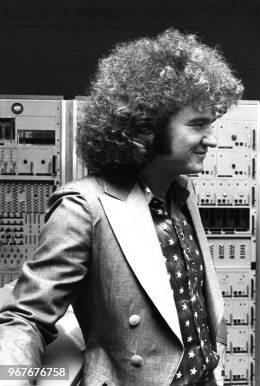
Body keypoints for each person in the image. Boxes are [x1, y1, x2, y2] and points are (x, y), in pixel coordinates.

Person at [0, 29, 243, 385]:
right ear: (147, 129)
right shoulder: (84, 207)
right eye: (198, 125)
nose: (212, 139)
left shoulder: (181, 194)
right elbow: (26, 318)